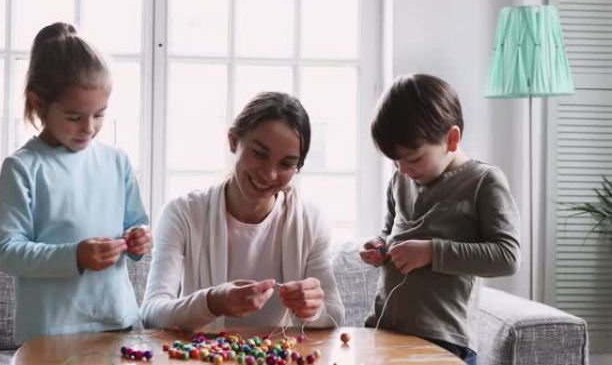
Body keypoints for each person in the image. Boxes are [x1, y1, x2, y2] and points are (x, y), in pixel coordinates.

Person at [0, 22, 151, 344]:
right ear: (39, 104)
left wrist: (140, 240)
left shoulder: (117, 162)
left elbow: (137, 223)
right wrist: (75, 256)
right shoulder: (22, 168)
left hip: (117, 322)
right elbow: (6, 251)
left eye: (100, 114)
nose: (89, 128)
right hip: (51, 332)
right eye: (75, 117)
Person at [141, 91, 345, 330]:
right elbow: (151, 312)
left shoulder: (310, 220)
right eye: (259, 154)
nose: (269, 174)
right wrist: (212, 303)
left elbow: (335, 315)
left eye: (286, 164)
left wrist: (314, 308)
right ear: (233, 141)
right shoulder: (182, 213)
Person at [359, 74, 520, 364]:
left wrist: (432, 252)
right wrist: (379, 245)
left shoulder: (484, 182)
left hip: (444, 340)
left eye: (413, 159)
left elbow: (507, 256)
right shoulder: (400, 179)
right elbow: (390, 230)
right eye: (395, 161)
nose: (403, 169)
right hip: (385, 331)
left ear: (452, 139)